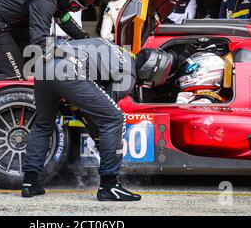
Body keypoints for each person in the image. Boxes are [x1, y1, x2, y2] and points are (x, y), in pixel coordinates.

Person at [22, 37, 175, 201]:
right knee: (115, 119)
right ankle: (109, 186)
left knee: (44, 124)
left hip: (43, 63)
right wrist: (99, 139)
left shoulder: (116, 50)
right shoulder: (128, 73)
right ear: (152, 71)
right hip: (68, 67)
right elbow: (102, 115)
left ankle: (30, 183)